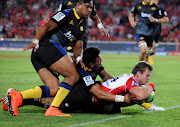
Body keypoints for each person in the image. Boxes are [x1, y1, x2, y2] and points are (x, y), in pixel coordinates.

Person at [7, 0, 93, 117]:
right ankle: (53, 109)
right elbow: (46, 26)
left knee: (53, 88)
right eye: (87, 7)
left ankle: (17, 96)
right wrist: (36, 41)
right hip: (47, 46)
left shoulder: (82, 24)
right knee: (73, 75)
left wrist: (78, 58)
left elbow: (78, 45)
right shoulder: (66, 14)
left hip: (39, 54)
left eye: (91, 8)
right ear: (78, 5)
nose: (89, 10)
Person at [3, 47, 134, 114]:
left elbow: (107, 77)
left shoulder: (96, 67)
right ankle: (15, 98)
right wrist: (121, 98)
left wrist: (121, 84)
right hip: (72, 95)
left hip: (84, 98)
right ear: (92, 64)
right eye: (99, 59)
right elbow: (98, 92)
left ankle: (14, 98)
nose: (102, 60)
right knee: (47, 102)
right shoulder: (83, 71)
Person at [148, 0, 169, 66]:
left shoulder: (161, 9)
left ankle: (150, 63)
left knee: (153, 47)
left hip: (157, 32)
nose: (154, 1)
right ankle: (148, 63)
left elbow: (166, 19)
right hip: (147, 31)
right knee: (147, 47)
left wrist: (156, 20)